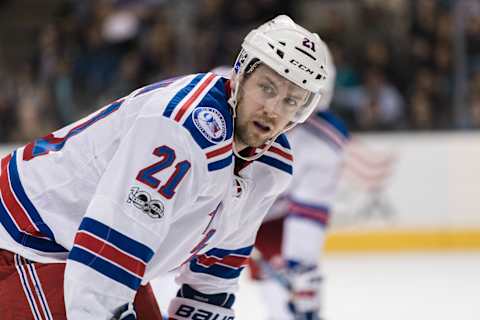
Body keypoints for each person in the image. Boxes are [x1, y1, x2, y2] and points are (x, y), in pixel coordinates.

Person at [0, 15, 331, 319]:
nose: (273, 109)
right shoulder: (183, 130)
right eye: (267, 88)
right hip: (25, 240)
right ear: (242, 73)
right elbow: (107, 255)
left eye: (290, 101)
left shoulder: (269, 167)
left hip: (85, 251)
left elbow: (215, 278)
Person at [248, 46, 350, 320]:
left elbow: (308, 213)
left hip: (266, 217)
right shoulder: (219, 95)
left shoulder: (323, 143)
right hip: (203, 203)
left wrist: (299, 267)